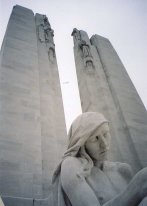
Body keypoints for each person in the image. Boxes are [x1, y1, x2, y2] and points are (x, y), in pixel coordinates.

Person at [52, 112, 147, 206]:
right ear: (82, 143)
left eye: (105, 134)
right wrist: (136, 188)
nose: (104, 144)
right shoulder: (71, 166)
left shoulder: (123, 170)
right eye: (95, 139)